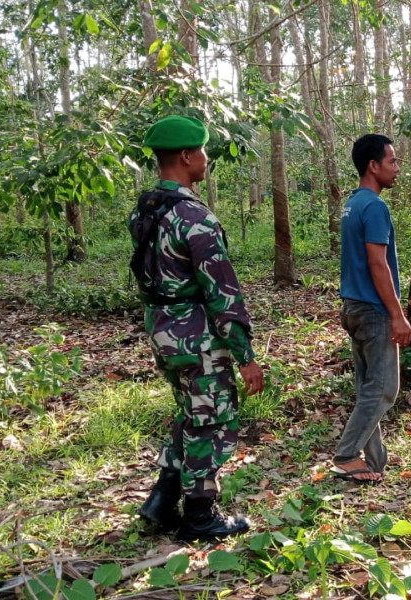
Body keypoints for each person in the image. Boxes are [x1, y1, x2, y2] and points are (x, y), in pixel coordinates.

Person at [129, 115, 264, 541]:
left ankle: (162, 500)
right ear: (186, 156)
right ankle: (200, 515)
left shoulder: (147, 207)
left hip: (163, 329)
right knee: (213, 421)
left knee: (191, 412)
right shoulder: (193, 217)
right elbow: (222, 292)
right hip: (198, 335)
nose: (206, 160)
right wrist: (246, 357)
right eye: (203, 152)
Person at [331, 133, 411, 484]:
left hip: (353, 306)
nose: (397, 168)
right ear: (373, 166)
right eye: (392, 161)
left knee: (369, 389)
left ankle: (375, 461)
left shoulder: (352, 204)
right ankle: (347, 456)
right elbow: (378, 264)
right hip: (373, 309)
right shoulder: (375, 206)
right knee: (383, 390)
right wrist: (397, 314)